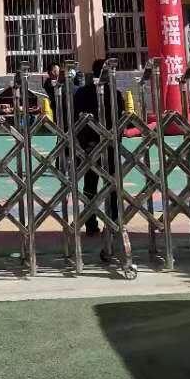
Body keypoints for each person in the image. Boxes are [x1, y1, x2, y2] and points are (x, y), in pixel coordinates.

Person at [73, 59, 120, 242]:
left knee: (91, 185)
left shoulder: (83, 93)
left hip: (91, 145)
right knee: (110, 185)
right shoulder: (113, 93)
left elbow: (74, 119)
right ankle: (113, 221)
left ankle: (91, 223)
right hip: (105, 145)